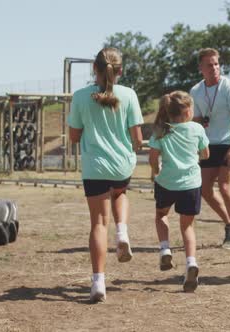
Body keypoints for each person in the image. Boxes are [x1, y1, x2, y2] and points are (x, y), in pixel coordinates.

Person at [68, 48, 143, 303]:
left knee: (99, 223)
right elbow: (138, 138)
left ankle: (98, 283)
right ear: (120, 70)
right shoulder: (130, 95)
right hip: (122, 164)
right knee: (120, 193)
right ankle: (122, 232)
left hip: (95, 167)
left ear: (94, 70)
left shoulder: (79, 97)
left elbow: (74, 136)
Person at [148, 91, 209, 292]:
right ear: (189, 111)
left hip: (167, 182)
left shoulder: (161, 130)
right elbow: (205, 154)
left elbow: (152, 158)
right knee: (187, 226)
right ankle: (191, 262)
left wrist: (156, 172)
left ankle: (165, 248)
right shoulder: (197, 128)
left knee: (161, 215)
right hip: (191, 184)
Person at [190, 48, 230, 250]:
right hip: (208, 144)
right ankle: (229, 223)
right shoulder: (196, 91)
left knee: (224, 186)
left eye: (216, 64)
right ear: (201, 68)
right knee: (205, 189)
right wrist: (198, 133)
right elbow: (195, 119)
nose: (214, 68)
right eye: (209, 65)